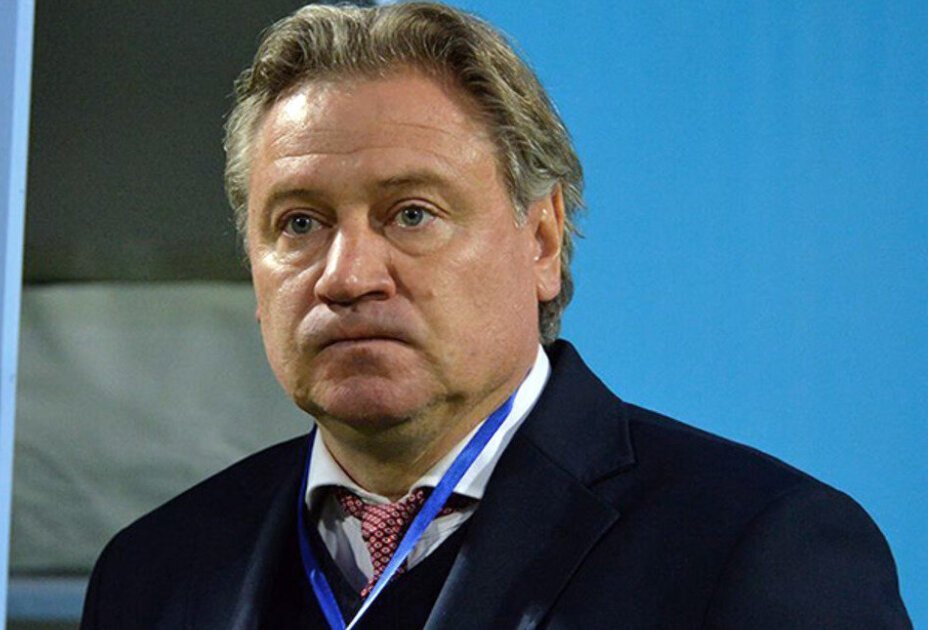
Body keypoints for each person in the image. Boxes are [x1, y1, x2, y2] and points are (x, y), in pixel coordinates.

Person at [81, 3, 910, 628]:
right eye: (300, 223)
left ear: (542, 241)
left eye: (411, 213)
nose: (348, 275)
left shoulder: (756, 548)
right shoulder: (152, 573)